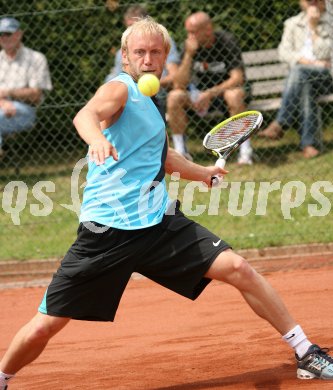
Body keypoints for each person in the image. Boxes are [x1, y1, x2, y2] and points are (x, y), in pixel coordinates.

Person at [0, 17, 332, 389]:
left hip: (158, 222)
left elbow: (163, 157)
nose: (147, 59)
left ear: (165, 57)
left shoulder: (151, 99)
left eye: (155, 52)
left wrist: (202, 173)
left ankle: (306, 352)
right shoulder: (120, 89)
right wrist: (95, 138)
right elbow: (86, 114)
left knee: (238, 268)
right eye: (139, 52)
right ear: (125, 58)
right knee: (47, 323)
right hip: (107, 232)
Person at [167, 12, 253, 164]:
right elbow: (179, 84)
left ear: (207, 29)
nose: (189, 36)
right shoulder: (189, 46)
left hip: (224, 92)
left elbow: (237, 78)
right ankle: (181, 152)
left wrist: (210, 93)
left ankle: (245, 152)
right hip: (198, 96)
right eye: (188, 32)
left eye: (193, 32)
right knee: (174, 97)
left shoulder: (226, 41)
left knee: (234, 95)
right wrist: (188, 54)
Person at [259, 0, 332, 159]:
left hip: (327, 77)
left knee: (298, 72)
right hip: (304, 77)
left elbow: (325, 52)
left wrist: (313, 27)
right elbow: (284, 53)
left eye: (316, 0)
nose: (312, 3)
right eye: (308, 1)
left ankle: (281, 123)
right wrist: (308, 62)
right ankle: (309, 145)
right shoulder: (292, 24)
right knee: (303, 83)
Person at [105, 4, 180, 110]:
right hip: (133, 100)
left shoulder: (162, 41)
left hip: (162, 95)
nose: (133, 30)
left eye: (155, 52)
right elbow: (114, 80)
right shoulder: (121, 53)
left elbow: (175, 76)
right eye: (129, 26)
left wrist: (150, 84)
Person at [0, 17, 52, 156]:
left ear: (19, 34)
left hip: (25, 110)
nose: (4, 38)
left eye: (8, 33)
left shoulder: (36, 58)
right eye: (1, 34)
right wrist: (2, 102)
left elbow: (36, 95)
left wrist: (7, 93)